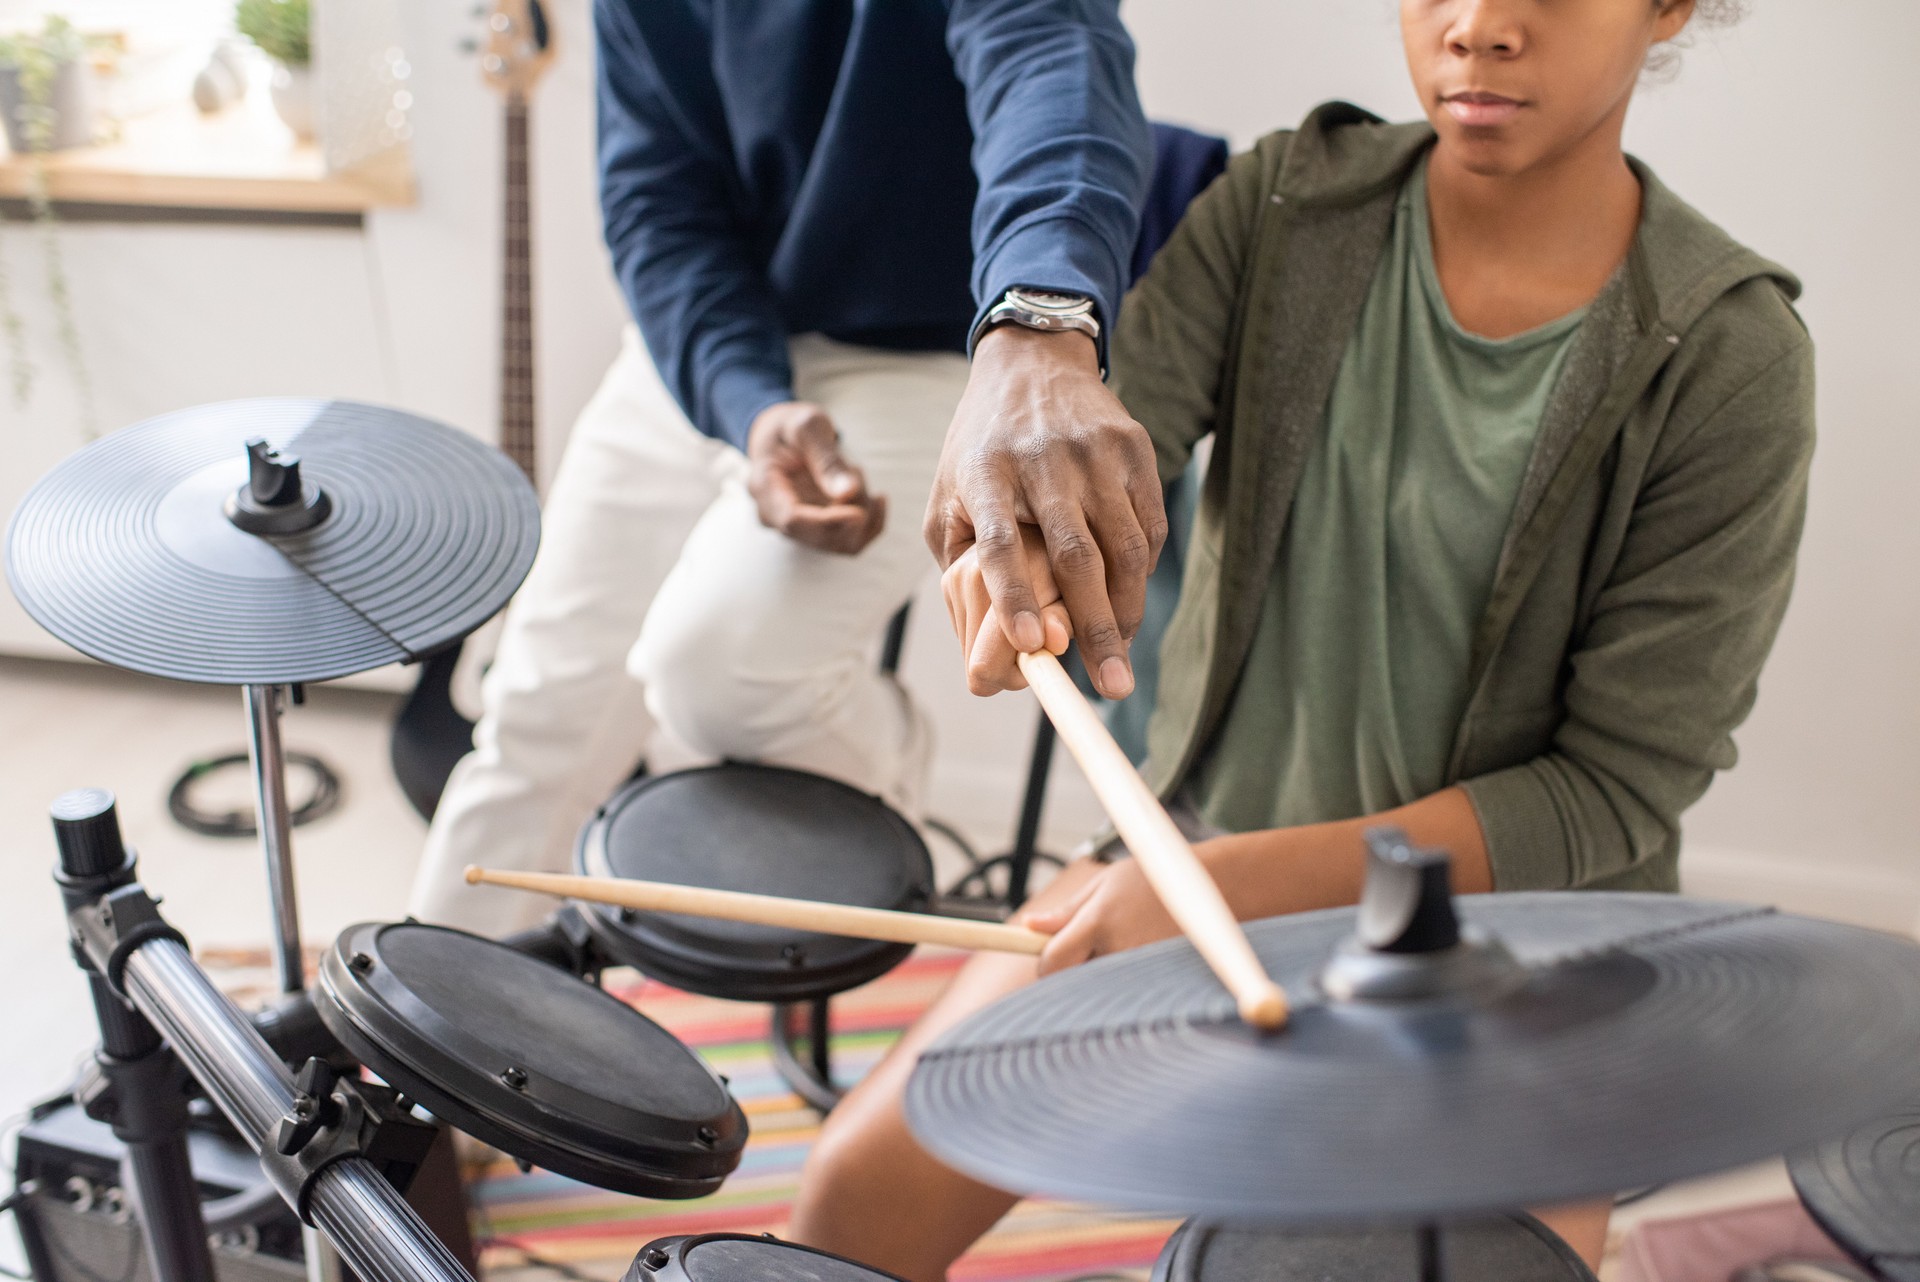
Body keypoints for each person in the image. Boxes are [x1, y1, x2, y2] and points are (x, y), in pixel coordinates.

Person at [792, 1, 1812, 1277]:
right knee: (850, 1200)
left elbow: (1614, 786)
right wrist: (1033, 534)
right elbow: (1116, 456)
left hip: (1510, 953)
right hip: (1200, 854)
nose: (1481, 26)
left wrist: (1226, 890)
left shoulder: (1728, 353)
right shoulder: (1290, 203)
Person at [408, 1, 1164, 936]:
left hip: (927, 343)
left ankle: (884, 785)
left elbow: (1051, 56)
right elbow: (658, 200)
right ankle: (420, 1047)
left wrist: (1038, 323)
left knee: (712, 673)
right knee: (529, 715)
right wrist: (749, 402)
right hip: (706, 345)